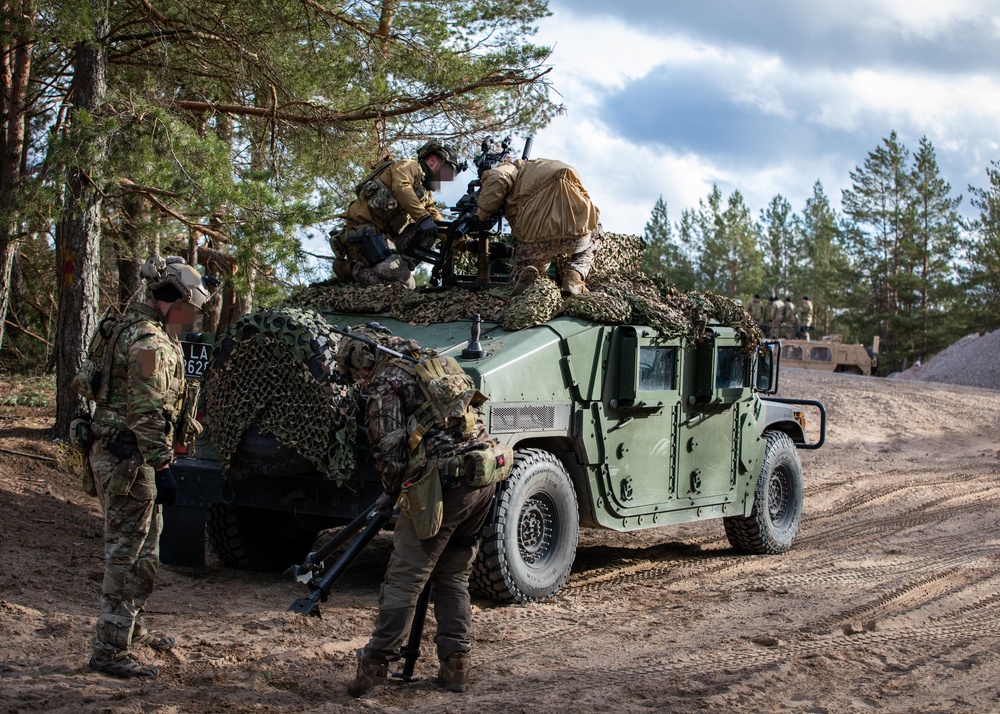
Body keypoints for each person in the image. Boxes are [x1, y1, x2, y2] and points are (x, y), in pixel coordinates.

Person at [336, 330, 499, 697]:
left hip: (441, 486)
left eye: (355, 372)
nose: (358, 381)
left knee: (405, 579)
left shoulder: (385, 381)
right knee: (454, 576)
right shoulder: (433, 362)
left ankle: (375, 664)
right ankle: (456, 667)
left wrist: (391, 493)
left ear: (362, 360)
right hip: (483, 475)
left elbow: (388, 447)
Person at [84, 255, 210, 679]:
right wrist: (162, 466)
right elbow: (144, 411)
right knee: (127, 557)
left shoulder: (139, 328)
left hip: (131, 458)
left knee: (145, 554)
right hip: (130, 462)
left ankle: (129, 633)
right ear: (169, 299)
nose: (192, 317)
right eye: (189, 307)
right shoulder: (148, 342)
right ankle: (109, 651)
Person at [331, 141, 466, 288]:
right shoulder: (409, 166)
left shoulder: (424, 194)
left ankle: (395, 268)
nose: (446, 179)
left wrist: (466, 243)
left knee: (432, 230)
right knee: (404, 283)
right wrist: (422, 218)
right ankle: (346, 269)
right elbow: (401, 187)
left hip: (386, 239)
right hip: (363, 236)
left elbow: (436, 220)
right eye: (446, 172)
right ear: (433, 161)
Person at [472, 156, 602, 295]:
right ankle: (574, 275)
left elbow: (498, 176)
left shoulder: (512, 168)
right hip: (578, 236)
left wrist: (481, 216)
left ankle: (526, 276)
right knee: (596, 228)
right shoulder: (552, 166)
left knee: (525, 273)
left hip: (536, 237)